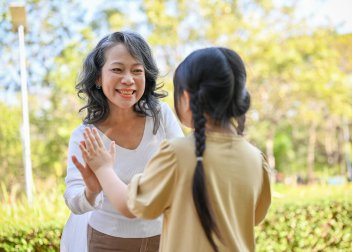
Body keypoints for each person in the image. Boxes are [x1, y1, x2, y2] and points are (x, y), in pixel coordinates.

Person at [75, 47, 271, 251]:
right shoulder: (256, 159)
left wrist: (103, 168)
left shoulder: (177, 154)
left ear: (186, 99)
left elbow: (130, 205)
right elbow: (254, 216)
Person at [61, 31, 183, 252]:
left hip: (164, 238)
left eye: (137, 70)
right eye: (117, 69)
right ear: (98, 77)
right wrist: (91, 192)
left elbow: (184, 168)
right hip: (107, 240)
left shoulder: (160, 116)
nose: (128, 79)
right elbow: (72, 197)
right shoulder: (85, 135)